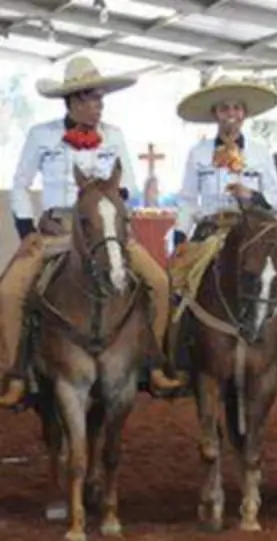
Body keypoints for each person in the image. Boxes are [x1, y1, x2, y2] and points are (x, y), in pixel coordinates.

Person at [0, 56, 183, 407]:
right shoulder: (42, 135)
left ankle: (156, 363)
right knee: (9, 291)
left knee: (159, 282)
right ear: (73, 101)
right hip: (58, 229)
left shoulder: (114, 136)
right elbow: (20, 184)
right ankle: (14, 373)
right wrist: (26, 228)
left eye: (101, 98)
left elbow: (127, 185)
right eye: (92, 98)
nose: (99, 105)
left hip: (106, 228)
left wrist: (112, 204)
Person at [167, 76, 277, 388]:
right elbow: (186, 200)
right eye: (224, 109)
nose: (231, 115)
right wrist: (181, 238)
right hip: (212, 229)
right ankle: (177, 360)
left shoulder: (261, 152)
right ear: (216, 115)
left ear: (244, 115)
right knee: (176, 280)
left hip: (255, 232)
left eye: (237, 108)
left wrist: (250, 196)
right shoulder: (198, 153)